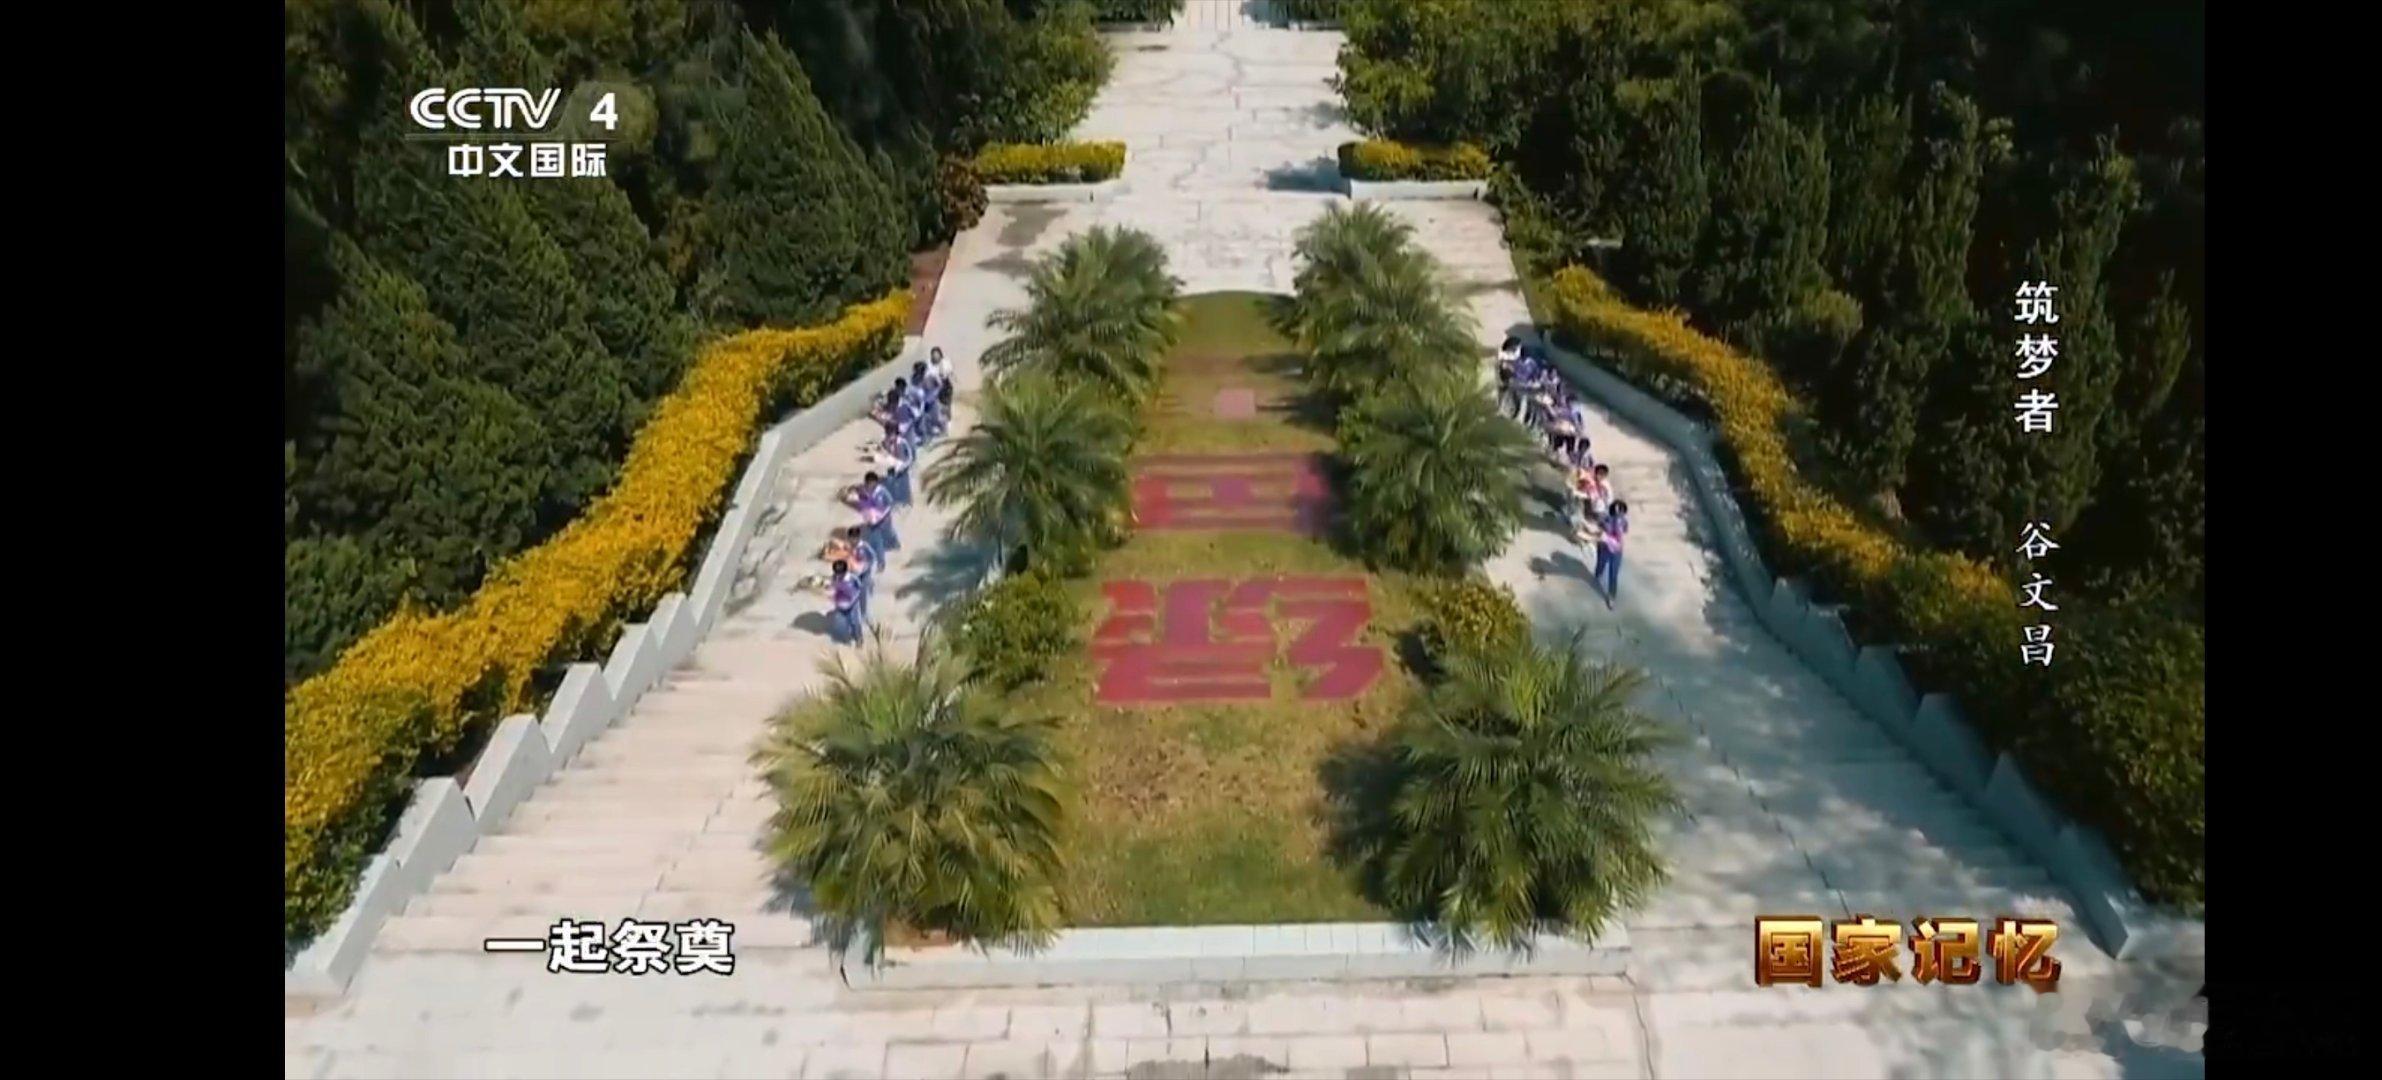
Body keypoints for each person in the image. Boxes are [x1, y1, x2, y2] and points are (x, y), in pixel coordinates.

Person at [851, 470, 899, 551]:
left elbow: (890, 503)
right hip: (871, 514)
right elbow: (856, 490)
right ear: (866, 482)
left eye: (873, 483)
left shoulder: (882, 491)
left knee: (888, 530)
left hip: (883, 514)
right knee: (874, 530)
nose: (871, 485)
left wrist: (886, 513)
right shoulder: (863, 489)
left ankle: (894, 543)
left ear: (876, 482)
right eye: (869, 483)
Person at [1593, 499, 1629, 607]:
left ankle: (1611, 597)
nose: (1619, 514)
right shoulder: (1605, 519)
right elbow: (1598, 529)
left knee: (1613, 575)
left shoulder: (1624, 521)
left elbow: (1625, 530)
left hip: (1617, 551)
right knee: (1600, 565)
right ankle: (1598, 574)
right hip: (1604, 548)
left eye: (1621, 511)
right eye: (1617, 511)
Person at [878, 421, 915, 505]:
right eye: (888, 433)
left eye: (892, 433)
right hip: (891, 466)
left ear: (896, 432)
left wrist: (905, 465)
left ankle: (908, 501)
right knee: (892, 483)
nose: (890, 435)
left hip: (903, 467)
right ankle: (894, 501)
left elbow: (910, 456)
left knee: (905, 485)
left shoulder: (902, 442)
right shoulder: (885, 442)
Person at [829, 560, 863, 644]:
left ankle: (858, 639)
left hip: (852, 604)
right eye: (836, 573)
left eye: (840, 573)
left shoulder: (853, 578)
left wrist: (855, 598)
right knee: (842, 622)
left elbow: (859, 588)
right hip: (840, 604)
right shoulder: (834, 578)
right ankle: (847, 640)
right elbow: (832, 588)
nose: (838, 575)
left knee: (854, 622)